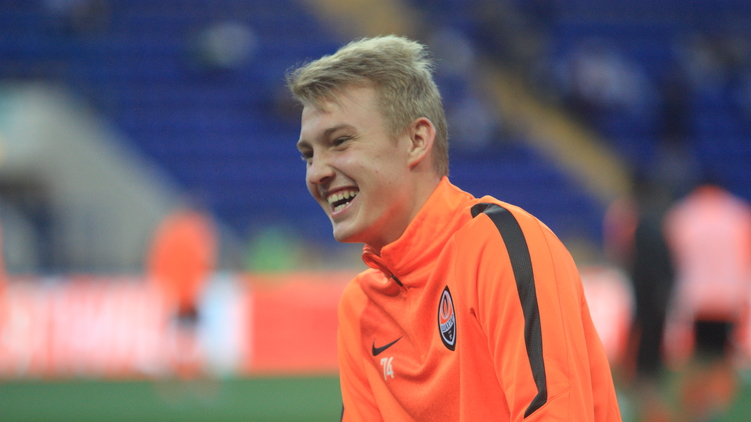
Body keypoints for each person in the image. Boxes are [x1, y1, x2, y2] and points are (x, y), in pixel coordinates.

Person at [286, 35, 621, 421]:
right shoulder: (360, 307)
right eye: (308, 155)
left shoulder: (500, 245)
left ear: (416, 141)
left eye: (340, 142)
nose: (317, 172)